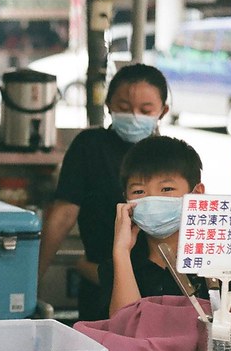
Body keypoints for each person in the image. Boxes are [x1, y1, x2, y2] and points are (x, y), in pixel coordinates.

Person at [37, 63, 170, 321]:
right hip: (99, 285)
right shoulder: (90, 146)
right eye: (123, 107)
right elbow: (63, 215)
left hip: (157, 289)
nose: (133, 115)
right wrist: (34, 278)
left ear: (163, 111)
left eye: (145, 110)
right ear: (108, 104)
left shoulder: (169, 155)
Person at [99, 135, 207, 317]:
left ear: (196, 194)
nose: (151, 200)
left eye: (166, 189)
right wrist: (122, 252)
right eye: (139, 192)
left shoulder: (217, 260)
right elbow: (125, 326)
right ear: (126, 199)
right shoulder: (118, 264)